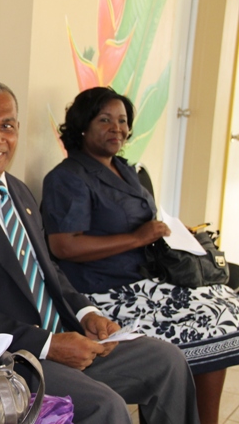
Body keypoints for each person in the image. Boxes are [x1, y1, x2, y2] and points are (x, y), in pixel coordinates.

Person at [0, 80, 200, 424]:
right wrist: (48, 344)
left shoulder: (16, 190)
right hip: (11, 359)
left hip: (62, 336)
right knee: (105, 406)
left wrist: (87, 313)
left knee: (168, 361)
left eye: (7, 126)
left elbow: (47, 270)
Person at [41, 86, 239, 424]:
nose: (116, 128)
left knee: (225, 303)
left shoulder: (124, 168)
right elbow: (64, 246)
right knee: (212, 322)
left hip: (144, 279)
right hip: (106, 292)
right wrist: (136, 238)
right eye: (105, 120)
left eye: (122, 120)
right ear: (82, 126)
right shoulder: (68, 177)